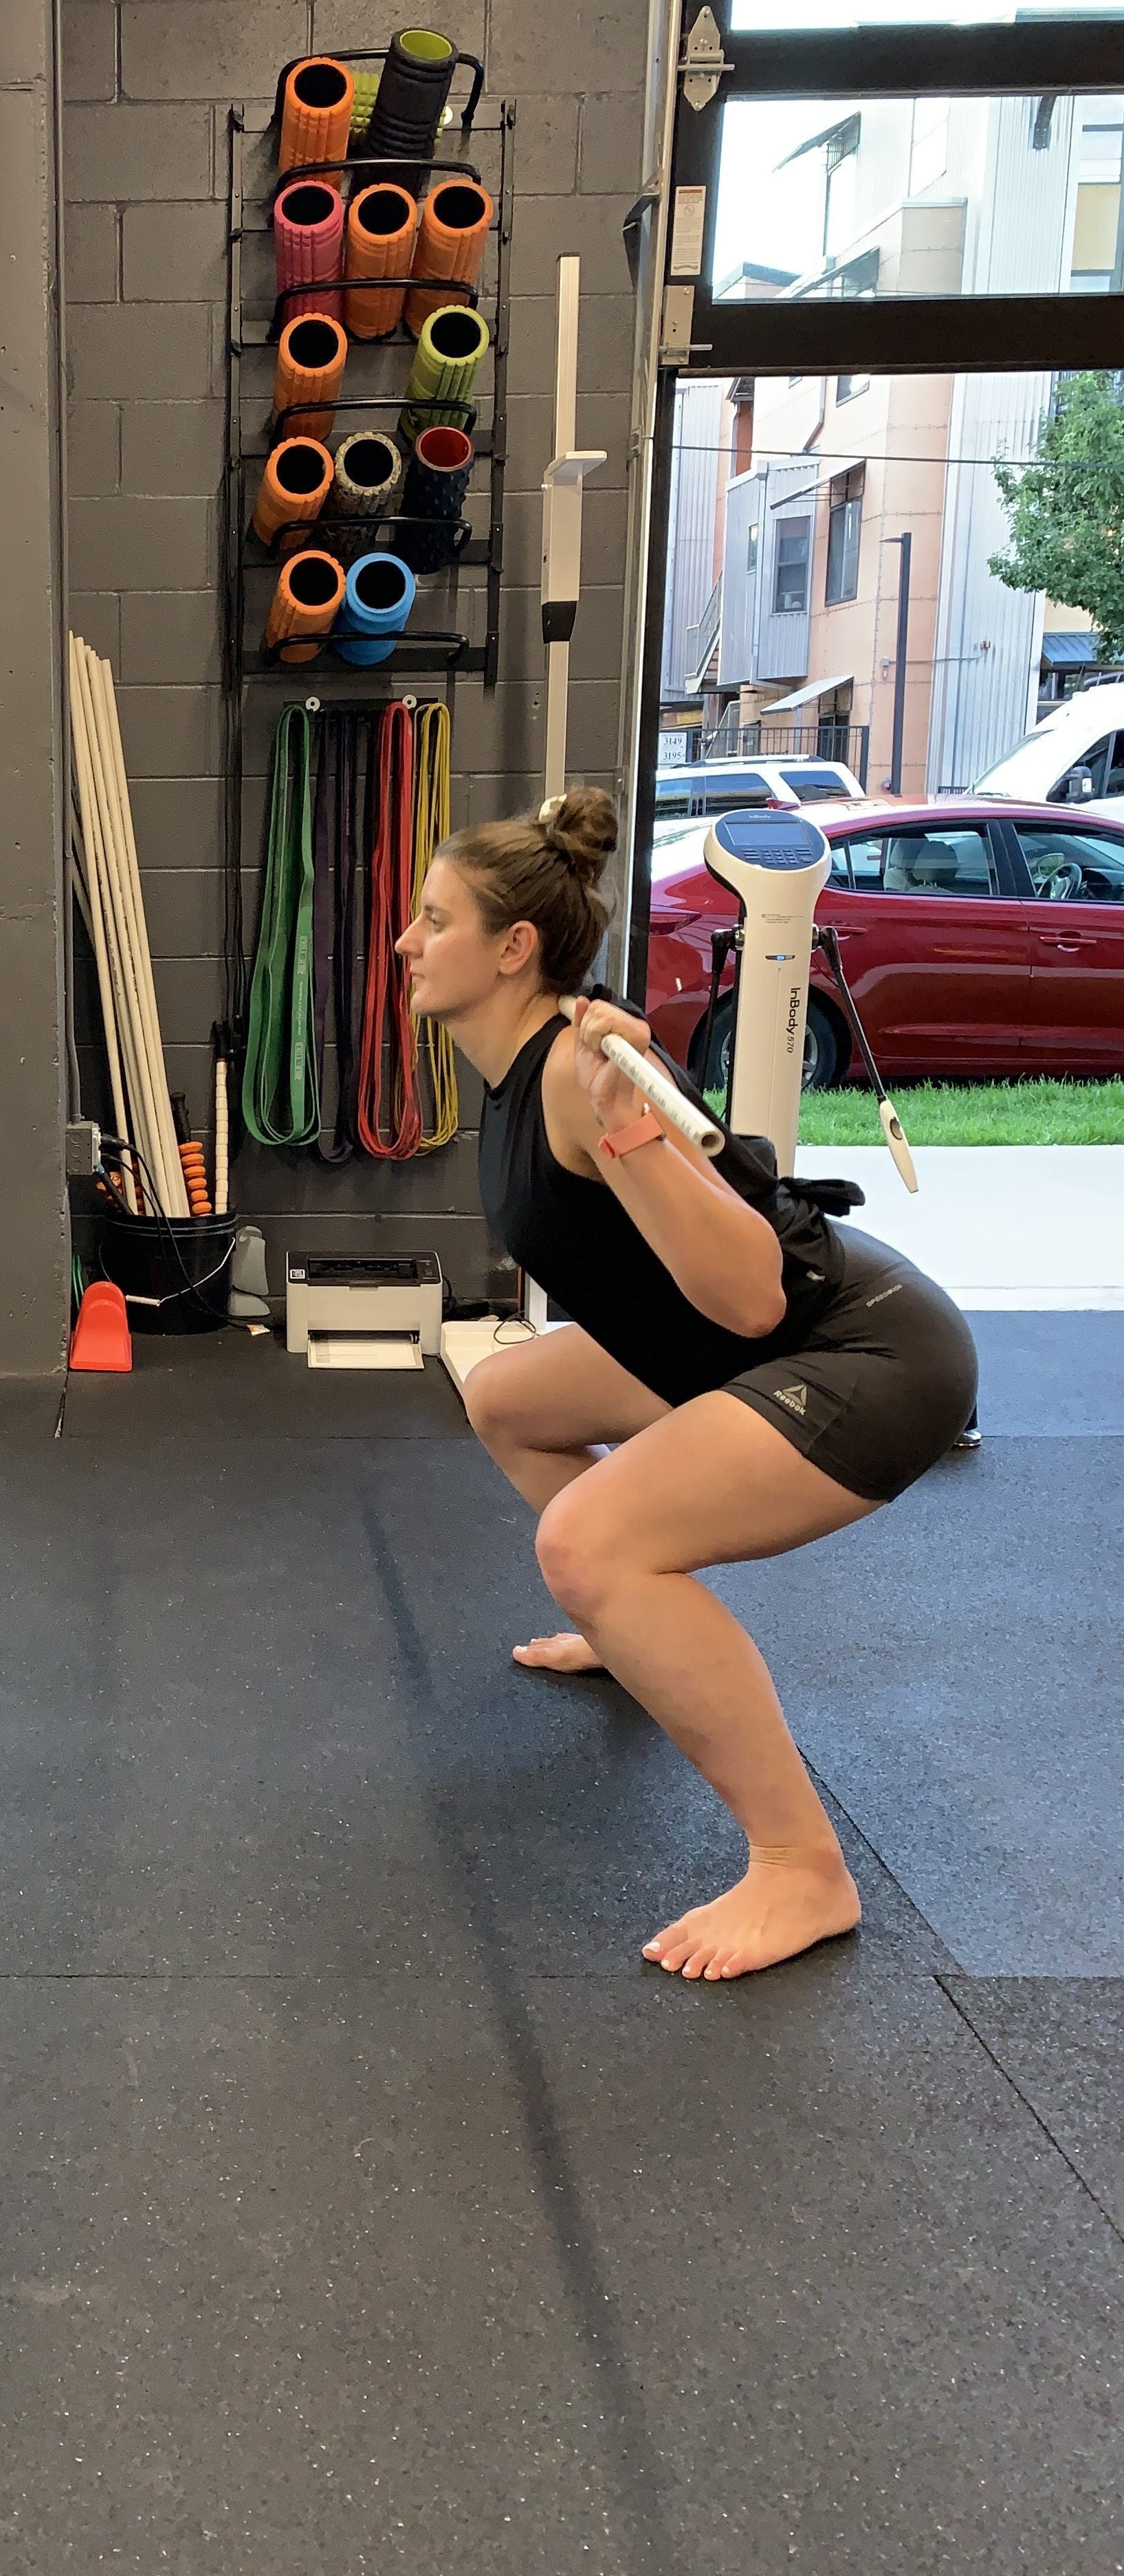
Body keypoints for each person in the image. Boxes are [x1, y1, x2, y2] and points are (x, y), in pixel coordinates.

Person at [396, 787, 976, 1980]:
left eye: (434, 919)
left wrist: (630, 1129)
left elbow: (751, 1297)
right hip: (761, 1344)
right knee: (509, 1400)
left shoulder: (583, 1076)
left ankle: (802, 1868)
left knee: (588, 1545)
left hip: (865, 1355)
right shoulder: (522, 1065)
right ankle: (636, 1630)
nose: (408, 941)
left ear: (513, 949)